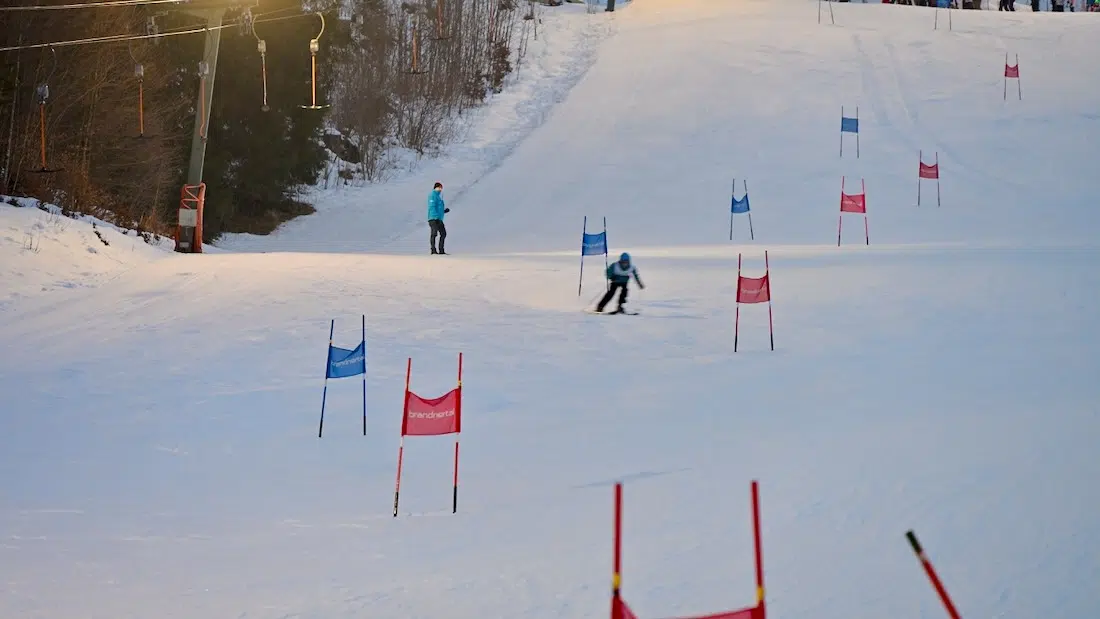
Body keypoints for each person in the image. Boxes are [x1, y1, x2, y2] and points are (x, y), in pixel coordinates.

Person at [427, 182, 450, 254]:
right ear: (436, 188)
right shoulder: (432, 195)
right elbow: (432, 206)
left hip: (439, 219)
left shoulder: (439, 197)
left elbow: (438, 208)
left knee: (443, 233)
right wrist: (435, 217)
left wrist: (444, 211)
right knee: (434, 233)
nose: (440, 189)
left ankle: (441, 250)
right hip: (433, 218)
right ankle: (433, 250)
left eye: (441, 188)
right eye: (439, 188)